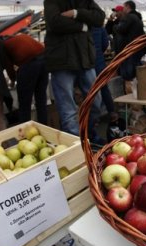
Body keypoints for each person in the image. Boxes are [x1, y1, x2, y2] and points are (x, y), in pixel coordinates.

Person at [43, 0, 105, 143]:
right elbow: (54, 22)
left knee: (95, 101)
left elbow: (100, 17)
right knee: (68, 110)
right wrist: (82, 26)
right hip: (61, 60)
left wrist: (76, 13)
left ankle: (87, 135)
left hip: (84, 58)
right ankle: (77, 147)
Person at [3, 34, 48, 125]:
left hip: (28, 64)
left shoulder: (5, 45)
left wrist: (12, 80)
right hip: (44, 60)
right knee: (41, 98)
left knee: (24, 102)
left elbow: (9, 67)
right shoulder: (21, 36)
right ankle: (44, 127)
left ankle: (25, 130)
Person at [114, 0, 146, 93]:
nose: (123, 9)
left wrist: (115, 26)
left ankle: (131, 100)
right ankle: (136, 97)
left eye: (124, 7)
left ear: (128, 7)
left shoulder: (130, 17)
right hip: (135, 50)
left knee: (128, 76)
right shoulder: (137, 18)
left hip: (129, 51)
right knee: (135, 75)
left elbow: (121, 29)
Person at [92, 26, 118, 122]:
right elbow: (105, 43)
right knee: (103, 88)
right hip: (99, 61)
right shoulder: (99, 26)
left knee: (89, 91)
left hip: (87, 63)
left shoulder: (82, 24)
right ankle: (112, 112)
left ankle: (94, 119)